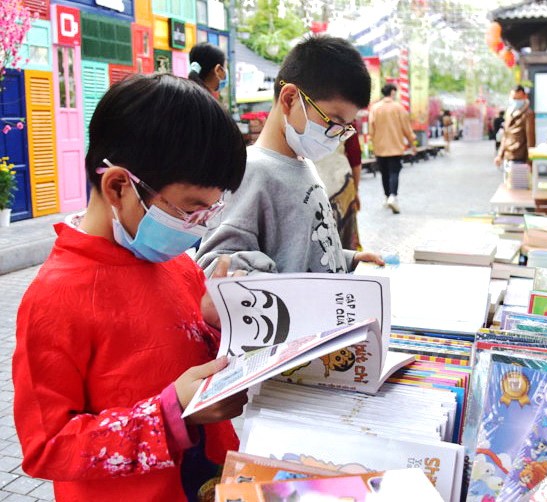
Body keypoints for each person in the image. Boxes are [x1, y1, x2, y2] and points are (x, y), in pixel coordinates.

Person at [13, 74, 248, 501]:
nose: (198, 228)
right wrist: (169, 415)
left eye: (209, 212)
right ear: (119, 186)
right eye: (190, 210)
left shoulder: (175, 263)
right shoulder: (55, 299)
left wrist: (221, 323)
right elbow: (46, 446)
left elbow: (185, 356)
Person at [195, 36, 383, 274]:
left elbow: (303, 249)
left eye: (345, 128)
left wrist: (346, 259)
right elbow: (214, 264)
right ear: (290, 98)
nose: (336, 136)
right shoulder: (249, 171)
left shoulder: (304, 163)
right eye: (333, 123)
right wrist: (258, 276)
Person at [369, 83, 417, 214]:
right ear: (392, 92)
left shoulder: (375, 108)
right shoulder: (398, 108)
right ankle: (393, 196)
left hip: (380, 147)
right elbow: (406, 128)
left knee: (384, 173)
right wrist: (412, 144)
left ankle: (386, 197)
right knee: (394, 172)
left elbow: (371, 129)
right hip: (395, 147)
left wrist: (372, 144)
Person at [315, 134, 363, 251]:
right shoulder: (346, 124)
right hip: (342, 184)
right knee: (347, 240)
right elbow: (355, 158)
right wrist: (355, 190)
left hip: (314, 186)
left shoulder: (300, 124)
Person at [494, 86, 536, 167]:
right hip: (507, 156)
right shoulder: (509, 112)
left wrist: (530, 162)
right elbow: (505, 135)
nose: (516, 101)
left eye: (518, 99)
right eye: (514, 98)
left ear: (525, 97)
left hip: (519, 158)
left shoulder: (528, 114)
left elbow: (530, 140)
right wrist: (500, 155)